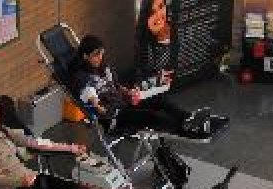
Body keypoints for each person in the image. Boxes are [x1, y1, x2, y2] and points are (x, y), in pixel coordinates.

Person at [71, 35, 213, 138]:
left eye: (101, 53)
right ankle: (184, 128)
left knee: (158, 100)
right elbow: (90, 95)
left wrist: (128, 92)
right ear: (85, 56)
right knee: (150, 116)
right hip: (113, 117)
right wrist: (98, 107)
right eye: (96, 55)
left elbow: (116, 86)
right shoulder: (81, 77)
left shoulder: (104, 68)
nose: (100, 57)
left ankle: (189, 117)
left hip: (124, 104)